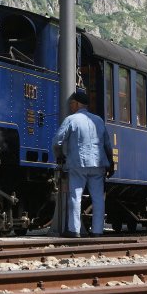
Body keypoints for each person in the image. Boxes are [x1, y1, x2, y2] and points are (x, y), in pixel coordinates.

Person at [53, 90, 114, 238]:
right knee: (98, 198)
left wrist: (59, 156)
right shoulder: (98, 120)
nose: (71, 106)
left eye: (72, 103)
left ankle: (74, 230)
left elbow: (57, 141)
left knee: (75, 197)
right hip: (98, 164)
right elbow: (107, 144)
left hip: (78, 164)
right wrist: (111, 163)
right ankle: (97, 231)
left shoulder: (71, 120)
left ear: (77, 104)